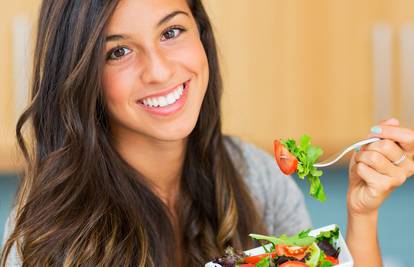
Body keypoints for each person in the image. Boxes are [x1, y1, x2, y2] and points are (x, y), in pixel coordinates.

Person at [1, 0, 413, 266]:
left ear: (201, 35)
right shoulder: (43, 229)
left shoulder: (255, 176)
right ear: (79, 75)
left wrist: (362, 216)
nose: (160, 70)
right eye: (118, 52)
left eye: (171, 32)